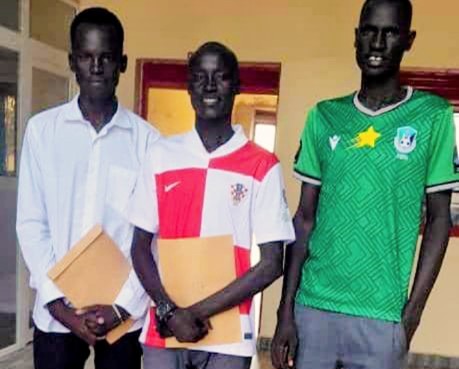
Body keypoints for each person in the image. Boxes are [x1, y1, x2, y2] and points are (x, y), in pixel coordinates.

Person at [271, 1, 459, 368]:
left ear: (409, 40)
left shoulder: (432, 117)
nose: (377, 42)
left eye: (390, 33)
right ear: (356, 38)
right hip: (314, 306)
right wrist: (285, 310)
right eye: (369, 31)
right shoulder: (325, 116)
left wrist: (412, 314)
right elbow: (305, 219)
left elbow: (440, 220)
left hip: (382, 313)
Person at [127, 41, 295, 369]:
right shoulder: (160, 155)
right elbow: (139, 247)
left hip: (230, 333)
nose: (209, 85)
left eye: (220, 76)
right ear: (189, 87)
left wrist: (195, 313)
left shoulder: (262, 165)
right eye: (200, 76)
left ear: (238, 86)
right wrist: (168, 310)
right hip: (165, 328)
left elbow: (273, 263)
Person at [16, 7, 159, 369]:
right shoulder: (42, 132)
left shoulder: (148, 142)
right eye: (86, 56)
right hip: (56, 314)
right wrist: (60, 307)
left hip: (123, 315)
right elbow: (32, 225)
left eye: (106, 57)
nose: (96, 67)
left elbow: (153, 237)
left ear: (122, 63)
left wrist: (122, 306)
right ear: (72, 62)